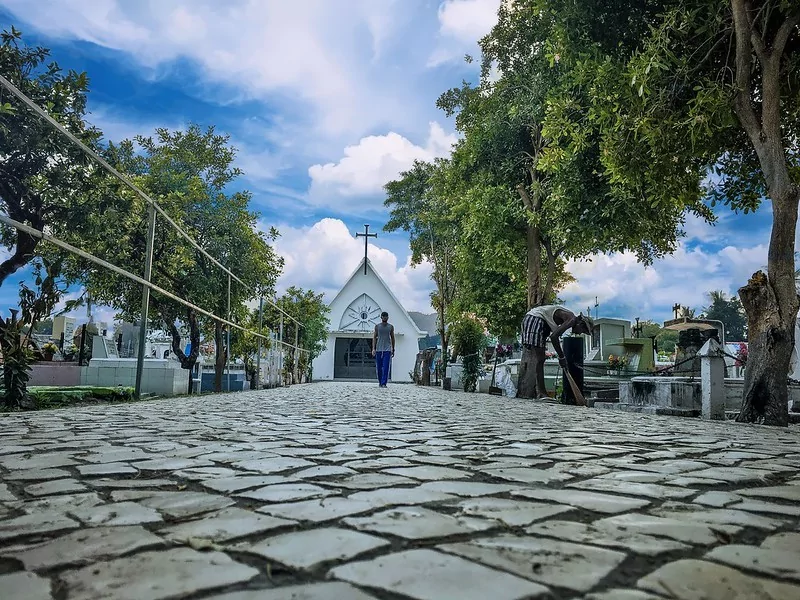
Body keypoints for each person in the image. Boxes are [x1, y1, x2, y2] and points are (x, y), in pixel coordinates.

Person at [519, 305, 593, 399]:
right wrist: (562, 357)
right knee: (540, 359)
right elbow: (554, 337)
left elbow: (554, 335)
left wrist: (562, 357)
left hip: (539, 322)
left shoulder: (569, 318)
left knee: (540, 359)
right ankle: (541, 393)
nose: (579, 333)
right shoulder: (572, 320)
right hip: (535, 319)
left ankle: (540, 392)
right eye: (582, 331)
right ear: (581, 324)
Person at [371, 311, 395, 387]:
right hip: (379, 349)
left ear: (388, 317)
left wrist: (393, 348)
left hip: (387, 350)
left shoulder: (390, 327)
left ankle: (384, 383)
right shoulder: (377, 326)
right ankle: (380, 382)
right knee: (379, 367)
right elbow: (374, 337)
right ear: (381, 317)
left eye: (386, 316)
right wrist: (373, 348)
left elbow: (392, 338)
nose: (385, 318)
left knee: (386, 367)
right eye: (383, 316)